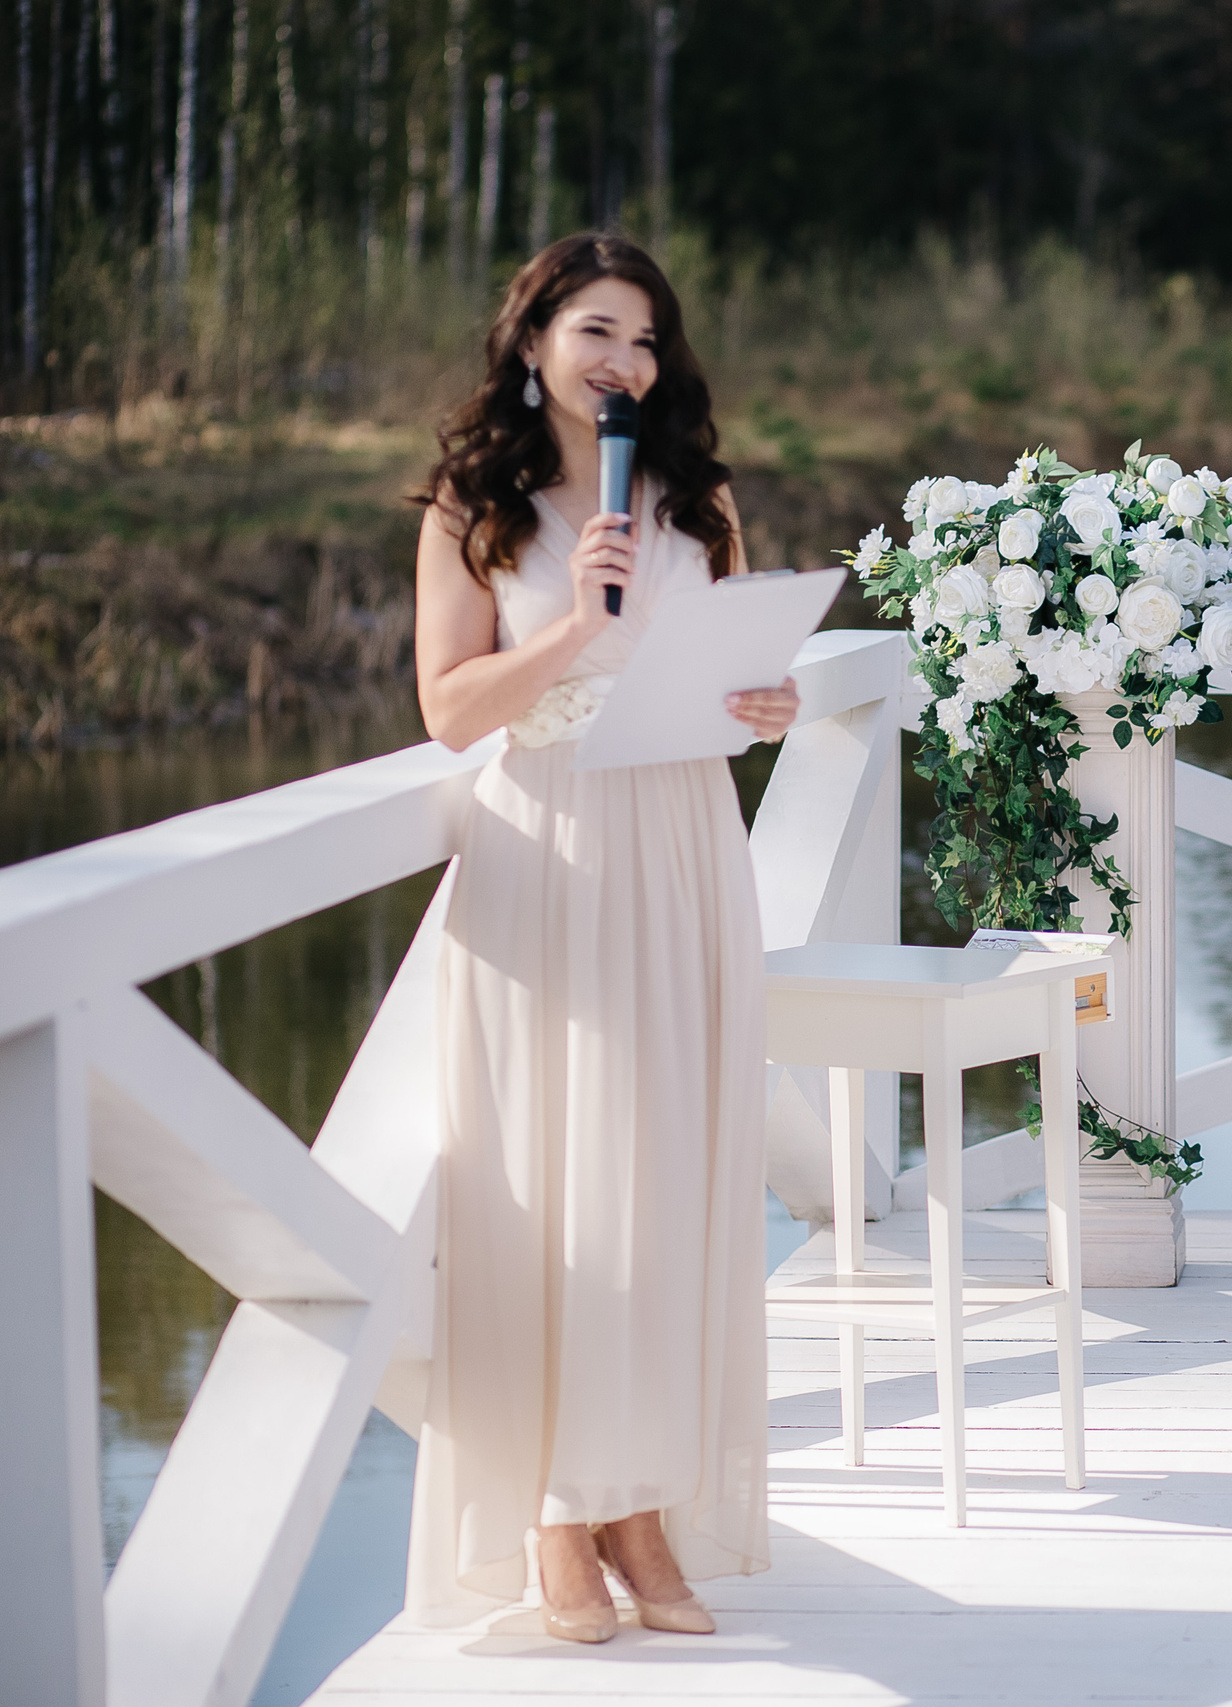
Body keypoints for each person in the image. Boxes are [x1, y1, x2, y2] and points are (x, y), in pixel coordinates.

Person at [407, 234, 797, 1641]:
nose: (621, 360)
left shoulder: (698, 495)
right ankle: (558, 1512)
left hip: (687, 843)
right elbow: (448, 709)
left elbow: (740, 665)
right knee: (563, 1184)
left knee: (671, 1184)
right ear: (533, 344)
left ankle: (641, 1503)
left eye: (642, 338)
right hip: (551, 852)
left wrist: (769, 703)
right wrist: (575, 626)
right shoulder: (477, 502)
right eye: (594, 330)